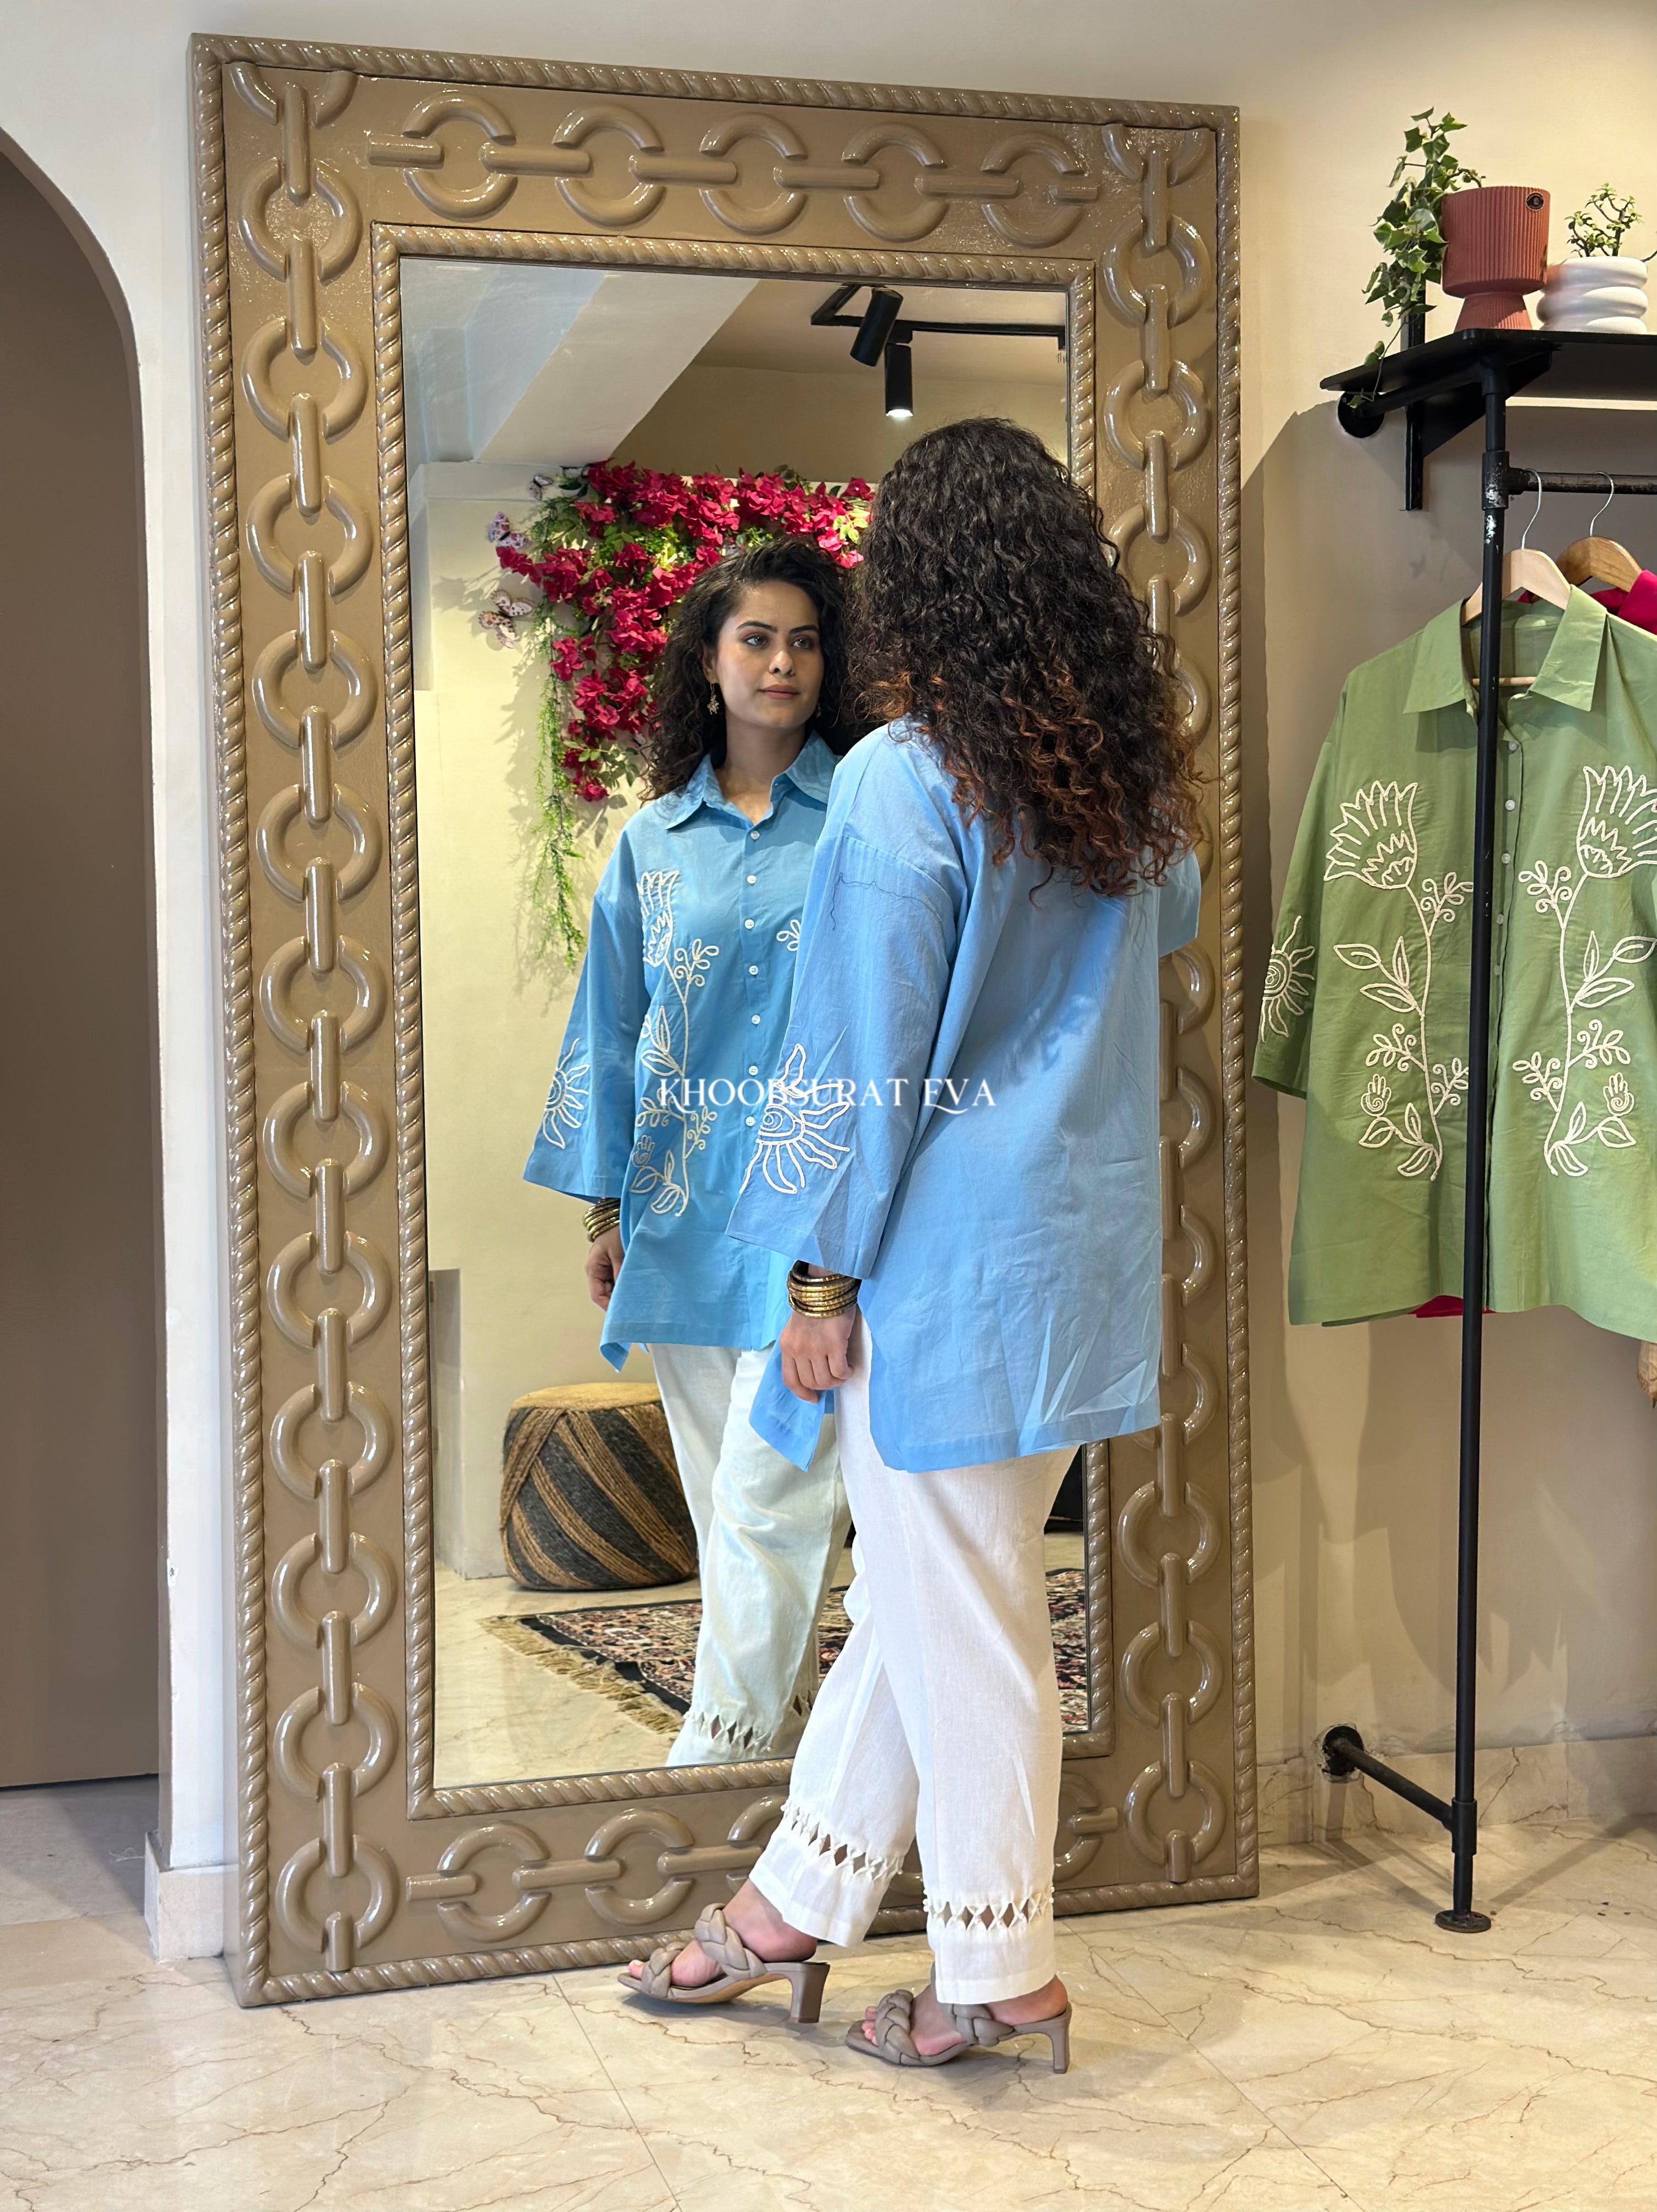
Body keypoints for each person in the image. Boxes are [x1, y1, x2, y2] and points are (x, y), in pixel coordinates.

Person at [621, 420, 1202, 2070]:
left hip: (939, 1267)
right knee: (926, 1590)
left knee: (962, 1609)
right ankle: (789, 1908)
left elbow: (855, 1051)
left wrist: (816, 1277)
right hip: (1079, 1258)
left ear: (918, 586)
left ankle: (999, 1970)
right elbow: (1155, 945)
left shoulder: (903, 775)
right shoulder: (1127, 786)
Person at [525, 536, 857, 1768]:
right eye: (756, 640)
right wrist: (603, 1210)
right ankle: (779, 1763)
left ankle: (707, 1767)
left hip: (816, 1214)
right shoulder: (653, 844)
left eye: (804, 641)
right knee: (734, 1511)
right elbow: (608, 1029)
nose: (782, 663)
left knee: (777, 1497)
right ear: (709, 664)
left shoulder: (867, 813)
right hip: (682, 1210)